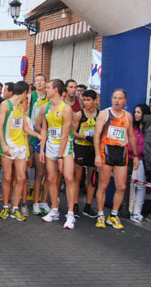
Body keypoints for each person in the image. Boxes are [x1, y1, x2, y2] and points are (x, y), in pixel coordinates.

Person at [94, 89, 139, 229]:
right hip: (106, 149)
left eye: (120, 98)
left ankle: (113, 215)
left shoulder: (128, 116)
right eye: (114, 97)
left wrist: (136, 156)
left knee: (121, 186)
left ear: (125, 101)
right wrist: (97, 154)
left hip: (121, 152)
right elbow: (97, 135)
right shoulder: (104, 114)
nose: (117, 100)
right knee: (103, 184)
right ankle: (100, 214)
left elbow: (131, 136)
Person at [0, 81, 42, 222]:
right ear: (24, 92)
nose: (27, 96)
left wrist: (38, 135)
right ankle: (5, 206)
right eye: (27, 93)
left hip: (20, 146)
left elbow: (25, 128)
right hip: (8, 146)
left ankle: (15, 208)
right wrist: (3, 145)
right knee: (8, 177)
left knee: (21, 177)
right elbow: (0, 126)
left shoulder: (22, 107)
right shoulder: (6, 104)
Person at [39, 79, 76, 229]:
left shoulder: (66, 108)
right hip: (50, 145)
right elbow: (44, 129)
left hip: (65, 146)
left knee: (68, 177)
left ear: (56, 90)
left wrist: (60, 156)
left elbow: (65, 134)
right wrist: (41, 149)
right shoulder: (45, 107)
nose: (45, 89)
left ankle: (71, 215)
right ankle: (54, 210)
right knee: (52, 178)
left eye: (48, 87)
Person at [72, 90, 99, 218]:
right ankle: (75, 205)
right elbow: (73, 132)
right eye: (84, 100)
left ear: (95, 100)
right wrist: (85, 137)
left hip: (93, 150)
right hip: (80, 147)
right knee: (78, 177)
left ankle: (88, 206)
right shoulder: (79, 114)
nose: (85, 102)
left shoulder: (99, 115)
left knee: (92, 179)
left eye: (88, 100)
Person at [29, 74, 51, 215]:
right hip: (33, 134)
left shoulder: (50, 100)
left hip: (50, 139)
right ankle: (33, 198)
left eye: (41, 81)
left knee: (49, 174)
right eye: (36, 81)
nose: (39, 83)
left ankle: (44, 201)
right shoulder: (31, 96)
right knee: (33, 167)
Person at [128, 104, 150, 224]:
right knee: (131, 185)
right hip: (130, 158)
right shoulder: (132, 127)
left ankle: (137, 211)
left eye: (138, 112)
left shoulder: (147, 129)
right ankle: (130, 209)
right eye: (135, 112)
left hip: (142, 160)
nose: (135, 114)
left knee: (140, 186)